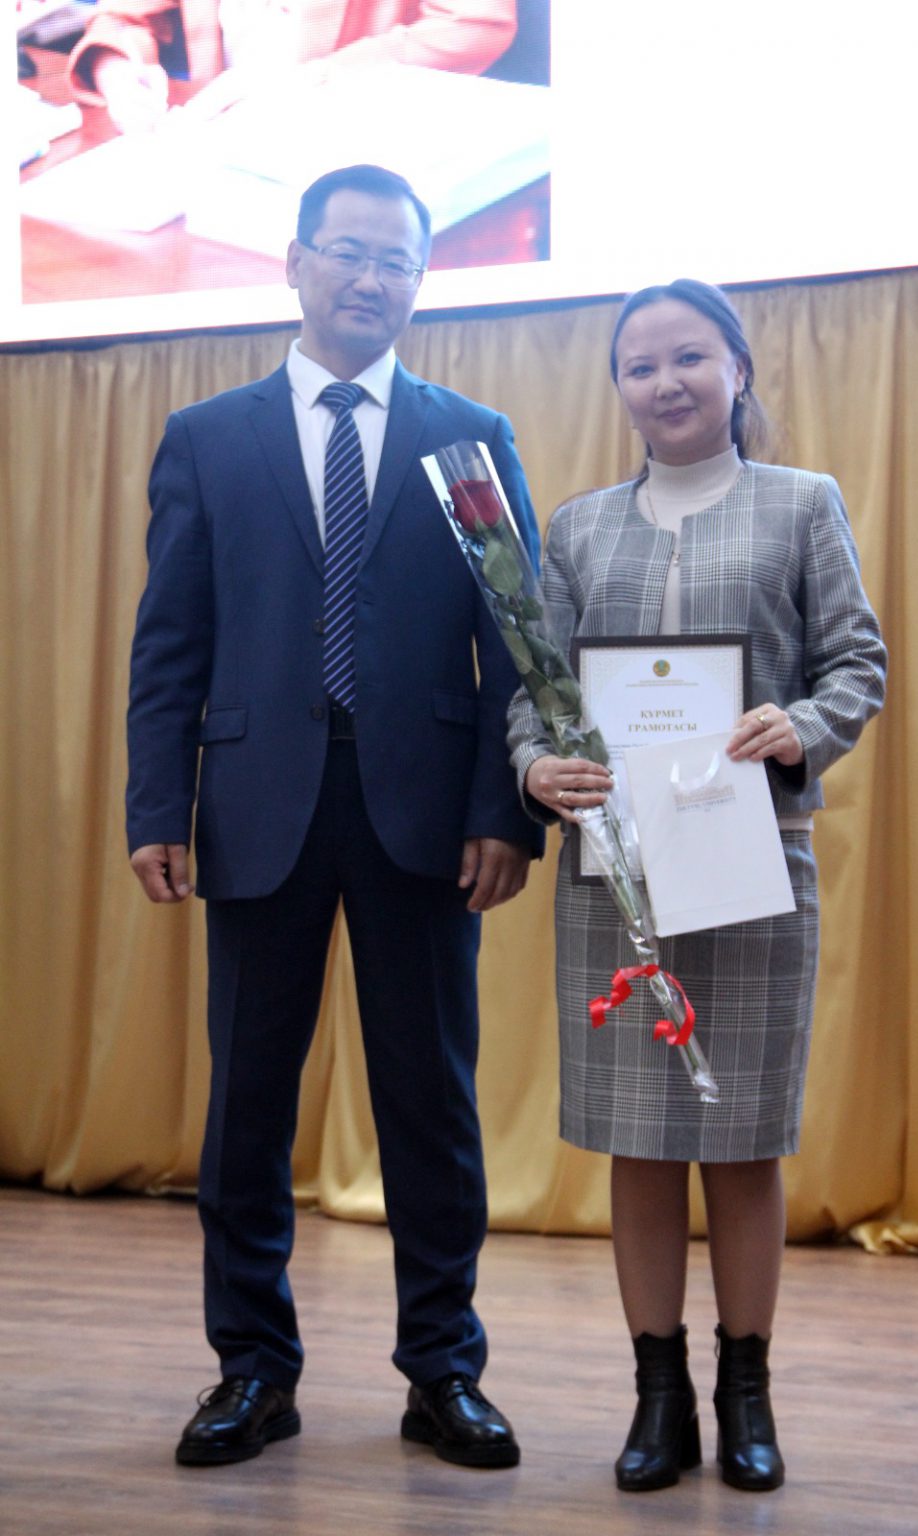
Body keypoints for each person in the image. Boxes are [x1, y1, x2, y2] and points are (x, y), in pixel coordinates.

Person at [126, 161, 542, 1470]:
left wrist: (505, 810)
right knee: (246, 1106)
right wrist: (158, 803)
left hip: (428, 815)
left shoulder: (469, 435)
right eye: (349, 252)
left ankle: (444, 1371)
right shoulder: (209, 436)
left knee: (433, 1104)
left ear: (421, 279)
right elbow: (170, 642)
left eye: (397, 260)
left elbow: (516, 640)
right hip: (258, 810)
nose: (372, 278)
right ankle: (252, 1369)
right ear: (296, 262)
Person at [507, 280, 886, 1495]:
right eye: (640, 364)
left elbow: (857, 664)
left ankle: (746, 1393)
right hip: (615, 871)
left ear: (737, 368)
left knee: (744, 1141)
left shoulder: (802, 504)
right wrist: (534, 764)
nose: (664, 382)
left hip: (752, 865)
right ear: (618, 386)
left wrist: (801, 724)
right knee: (639, 1138)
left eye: (688, 357)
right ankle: (658, 1397)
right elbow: (535, 692)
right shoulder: (575, 529)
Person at [68, 0, 518, 133]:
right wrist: (116, 72)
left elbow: (475, 23)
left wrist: (321, 78)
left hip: (362, 147)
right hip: (218, 151)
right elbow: (121, 16)